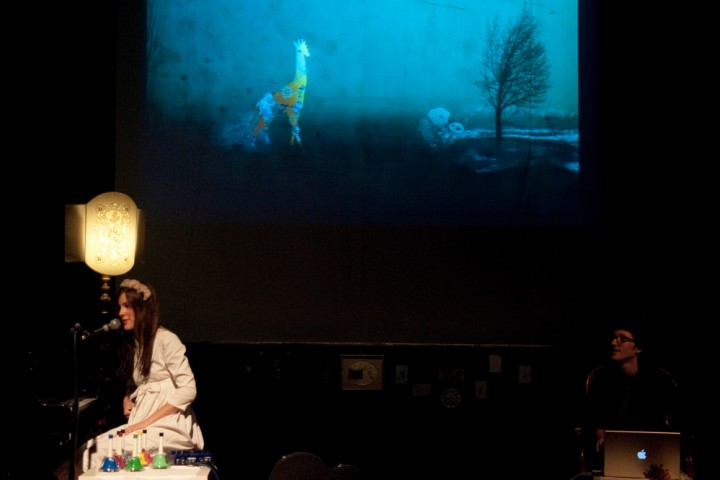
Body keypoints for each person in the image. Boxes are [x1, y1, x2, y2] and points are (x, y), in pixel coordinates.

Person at [80, 278, 204, 473]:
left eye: (126, 306)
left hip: (168, 426)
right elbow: (140, 379)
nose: (120, 313)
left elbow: (188, 389)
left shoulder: (166, 339)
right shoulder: (136, 344)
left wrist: (145, 423)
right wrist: (128, 395)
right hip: (142, 422)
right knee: (86, 450)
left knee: (98, 452)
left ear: (142, 308)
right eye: (119, 307)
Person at [580, 323, 680, 472]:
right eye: (613, 338)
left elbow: (662, 421)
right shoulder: (602, 379)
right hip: (612, 453)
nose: (614, 343)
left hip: (651, 451)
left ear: (637, 348)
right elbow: (593, 416)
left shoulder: (657, 380)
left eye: (622, 339)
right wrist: (601, 433)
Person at [252, 38, 310, 147]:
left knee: (300, 77)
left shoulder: (287, 98)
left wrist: (299, 51)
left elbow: (271, 99)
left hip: (288, 96)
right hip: (289, 96)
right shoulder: (290, 96)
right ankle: (300, 50)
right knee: (300, 77)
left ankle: (300, 50)